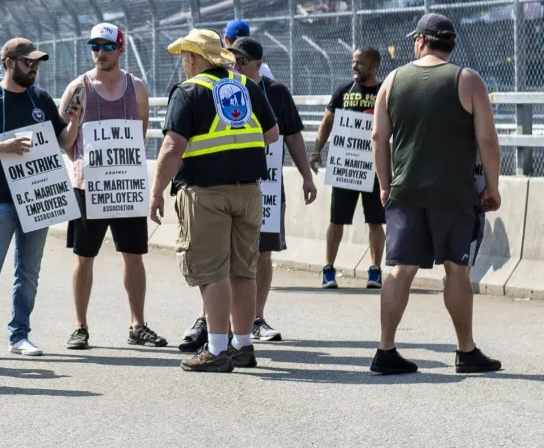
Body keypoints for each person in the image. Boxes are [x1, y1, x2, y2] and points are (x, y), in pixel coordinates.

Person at [369, 14, 503, 376]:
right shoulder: (468, 79)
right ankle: (465, 350)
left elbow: (379, 139)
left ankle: (386, 349)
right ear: (451, 44)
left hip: (406, 190)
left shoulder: (392, 81)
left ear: (421, 41)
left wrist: (385, 184)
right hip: (454, 193)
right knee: (456, 269)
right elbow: (488, 140)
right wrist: (492, 185)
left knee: (400, 270)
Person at [147, 28, 277, 373]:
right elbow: (272, 133)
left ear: (195, 57)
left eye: (185, 57)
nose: (183, 63)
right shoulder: (247, 86)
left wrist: (157, 190)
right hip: (248, 191)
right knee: (242, 271)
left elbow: (173, 146)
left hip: (205, 194)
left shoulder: (189, 91)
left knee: (212, 272)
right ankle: (243, 345)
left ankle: (217, 349)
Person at [0, 39, 75, 360]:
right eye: (27, 62)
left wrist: (76, 118)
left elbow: (63, 142)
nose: (34, 68)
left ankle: (20, 335)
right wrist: (0, 147)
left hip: (38, 197)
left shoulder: (41, 99)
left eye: (36, 63)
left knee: (29, 272)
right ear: (9, 63)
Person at [55, 24, 167, 352]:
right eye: (95, 46)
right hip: (88, 186)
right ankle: (80, 327)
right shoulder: (78, 87)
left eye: (107, 46)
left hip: (125, 185)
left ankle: (138, 324)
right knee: (84, 256)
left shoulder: (137, 88)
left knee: (134, 256)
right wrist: (75, 122)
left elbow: (139, 134)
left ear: (120, 49)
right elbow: (64, 142)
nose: (100, 53)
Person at [230, 37, 317, 343]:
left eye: (242, 61)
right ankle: (222, 320)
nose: (235, 65)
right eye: (232, 60)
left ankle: (256, 318)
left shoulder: (275, 92)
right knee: (229, 255)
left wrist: (307, 176)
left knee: (263, 253)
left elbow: (292, 137)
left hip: (266, 186)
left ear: (257, 64)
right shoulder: (223, 91)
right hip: (229, 186)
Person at [312, 46, 385, 290]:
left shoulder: (384, 91)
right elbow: (327, 122)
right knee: (337, 220)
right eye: (353, 62)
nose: (354, 66)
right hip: (346, 167)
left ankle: (375, 271)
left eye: (360, 63)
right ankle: (328, 269)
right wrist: (316, 151)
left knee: (376, 221)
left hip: (374, 169)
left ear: (374, 66)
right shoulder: (343, 91)